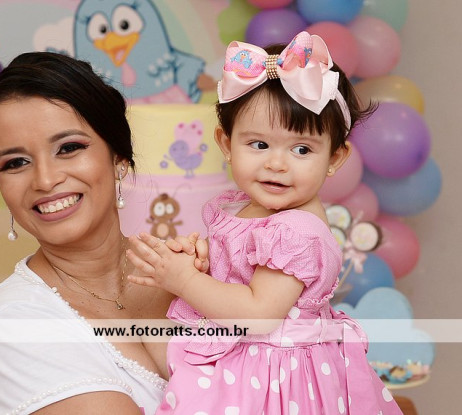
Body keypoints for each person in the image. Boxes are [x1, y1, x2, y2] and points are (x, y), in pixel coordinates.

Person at [126, 32, 403, 414]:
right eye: (259, 145)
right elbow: (238, 271)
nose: (276, 164)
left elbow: (258, 314)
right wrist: (203, 262)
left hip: (273, 377)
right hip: (244, 352)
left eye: (301, 149)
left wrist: (185, 280)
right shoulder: (242, 206)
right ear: (227, 144)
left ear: (335, 158)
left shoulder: (296, 231)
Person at [0, 52, 174, 414]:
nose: (45, 180)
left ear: (118, 157)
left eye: (69, 148)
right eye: (16, 163)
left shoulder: (192, 275)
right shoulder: (12, 325)